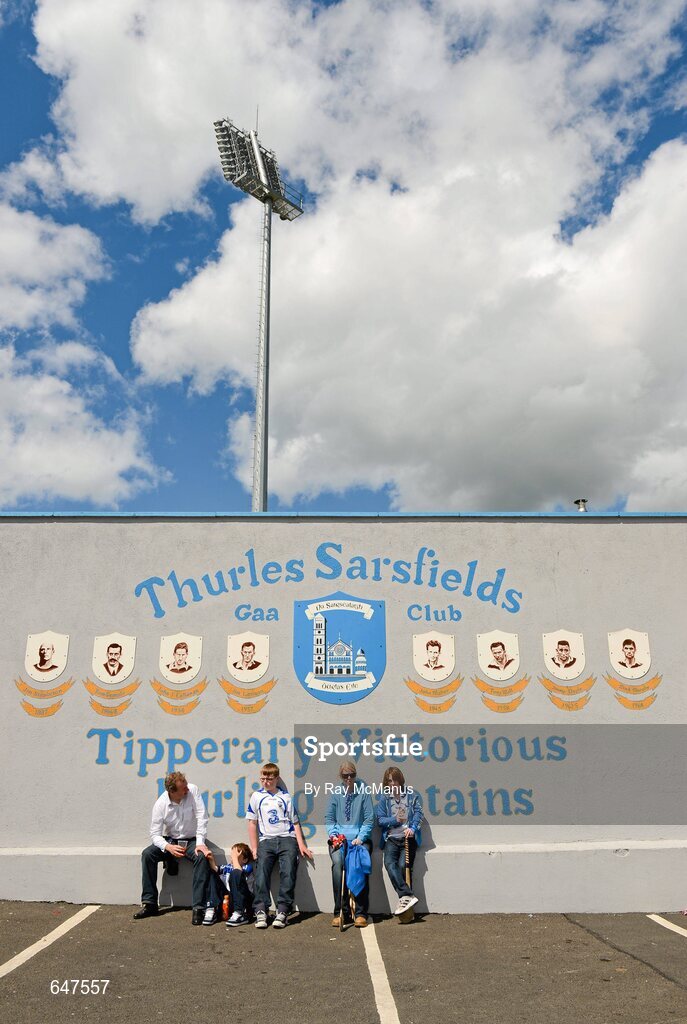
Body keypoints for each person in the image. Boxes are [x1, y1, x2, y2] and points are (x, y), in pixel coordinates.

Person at [134, 771, 211, 924]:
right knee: (147, 854)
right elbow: (155, 834)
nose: (187, 790)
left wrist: (201, 842)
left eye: (186, 786)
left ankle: (199, 908)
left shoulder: (193, 790)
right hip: (171, 840)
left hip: (192, 840)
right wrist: (168, 847)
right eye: (183, 788)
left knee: (201, 857)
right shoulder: (161, 804)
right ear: (172, 791)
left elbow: (202, 817)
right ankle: (149, 904)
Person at [246, 762, 313, 929]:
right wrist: (254, 848)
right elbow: (252, 823)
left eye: (269, 779)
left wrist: (301, 845)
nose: (265, 782)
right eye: (263, 778)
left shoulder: (285, 797)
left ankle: (283, 910)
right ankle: (261, 910)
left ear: (276, 778)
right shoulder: (256, 797)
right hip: (266, 840)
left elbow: (295, 823)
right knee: (261, 873)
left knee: (288, 872)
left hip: (286, 839)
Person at [324, 760, 374, 928]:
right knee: (338, 864)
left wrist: (361, 837)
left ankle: (360, 912)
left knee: (360, 863)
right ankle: (340, 911)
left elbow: (368, 818)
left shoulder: (364, 791)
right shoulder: (336, 792)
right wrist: (334, 835)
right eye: (345, 776)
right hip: (340, 839)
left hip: (360, 839)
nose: (349, 779)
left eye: (352, 775)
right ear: (341, 776)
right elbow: (329, 818)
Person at [376, 766, 423, 917]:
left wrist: (413, 828)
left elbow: (418, 813)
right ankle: (408, 895)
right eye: (390, 781)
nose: (393, 784)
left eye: (395, 780)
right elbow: (380, 820)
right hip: (392, 838)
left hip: (408, 838)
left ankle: (406, 904)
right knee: (389, 864)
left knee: (403, 866)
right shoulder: (384, 798)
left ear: (400, 781)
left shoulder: (411, 795)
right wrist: (394, 820)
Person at [201, 843, 255, 926]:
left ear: (245, 859)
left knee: (235, 873)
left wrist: (235, 858)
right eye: (232, 854)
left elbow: (238, 872)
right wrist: (211, 859)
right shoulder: (228, 867)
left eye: (237, 854)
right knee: (212, 873)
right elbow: (216, 869)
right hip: (228, 901)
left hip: (243, 901)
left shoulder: (247, 867)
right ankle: (211, 909)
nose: (232, 856)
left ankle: (240, 914)